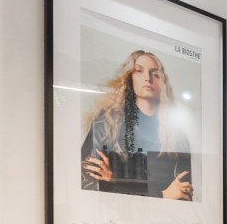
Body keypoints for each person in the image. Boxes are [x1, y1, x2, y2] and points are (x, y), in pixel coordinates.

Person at [81, 50, 194, 200]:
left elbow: (184, 194)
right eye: (139, 71)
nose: (147, 78)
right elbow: (87, 184)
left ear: (162, 81)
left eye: (154, 73)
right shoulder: (105, 125)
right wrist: (162, 196)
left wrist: (113, 182)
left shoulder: (177, 137)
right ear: (130, 78)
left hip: (164, 215)